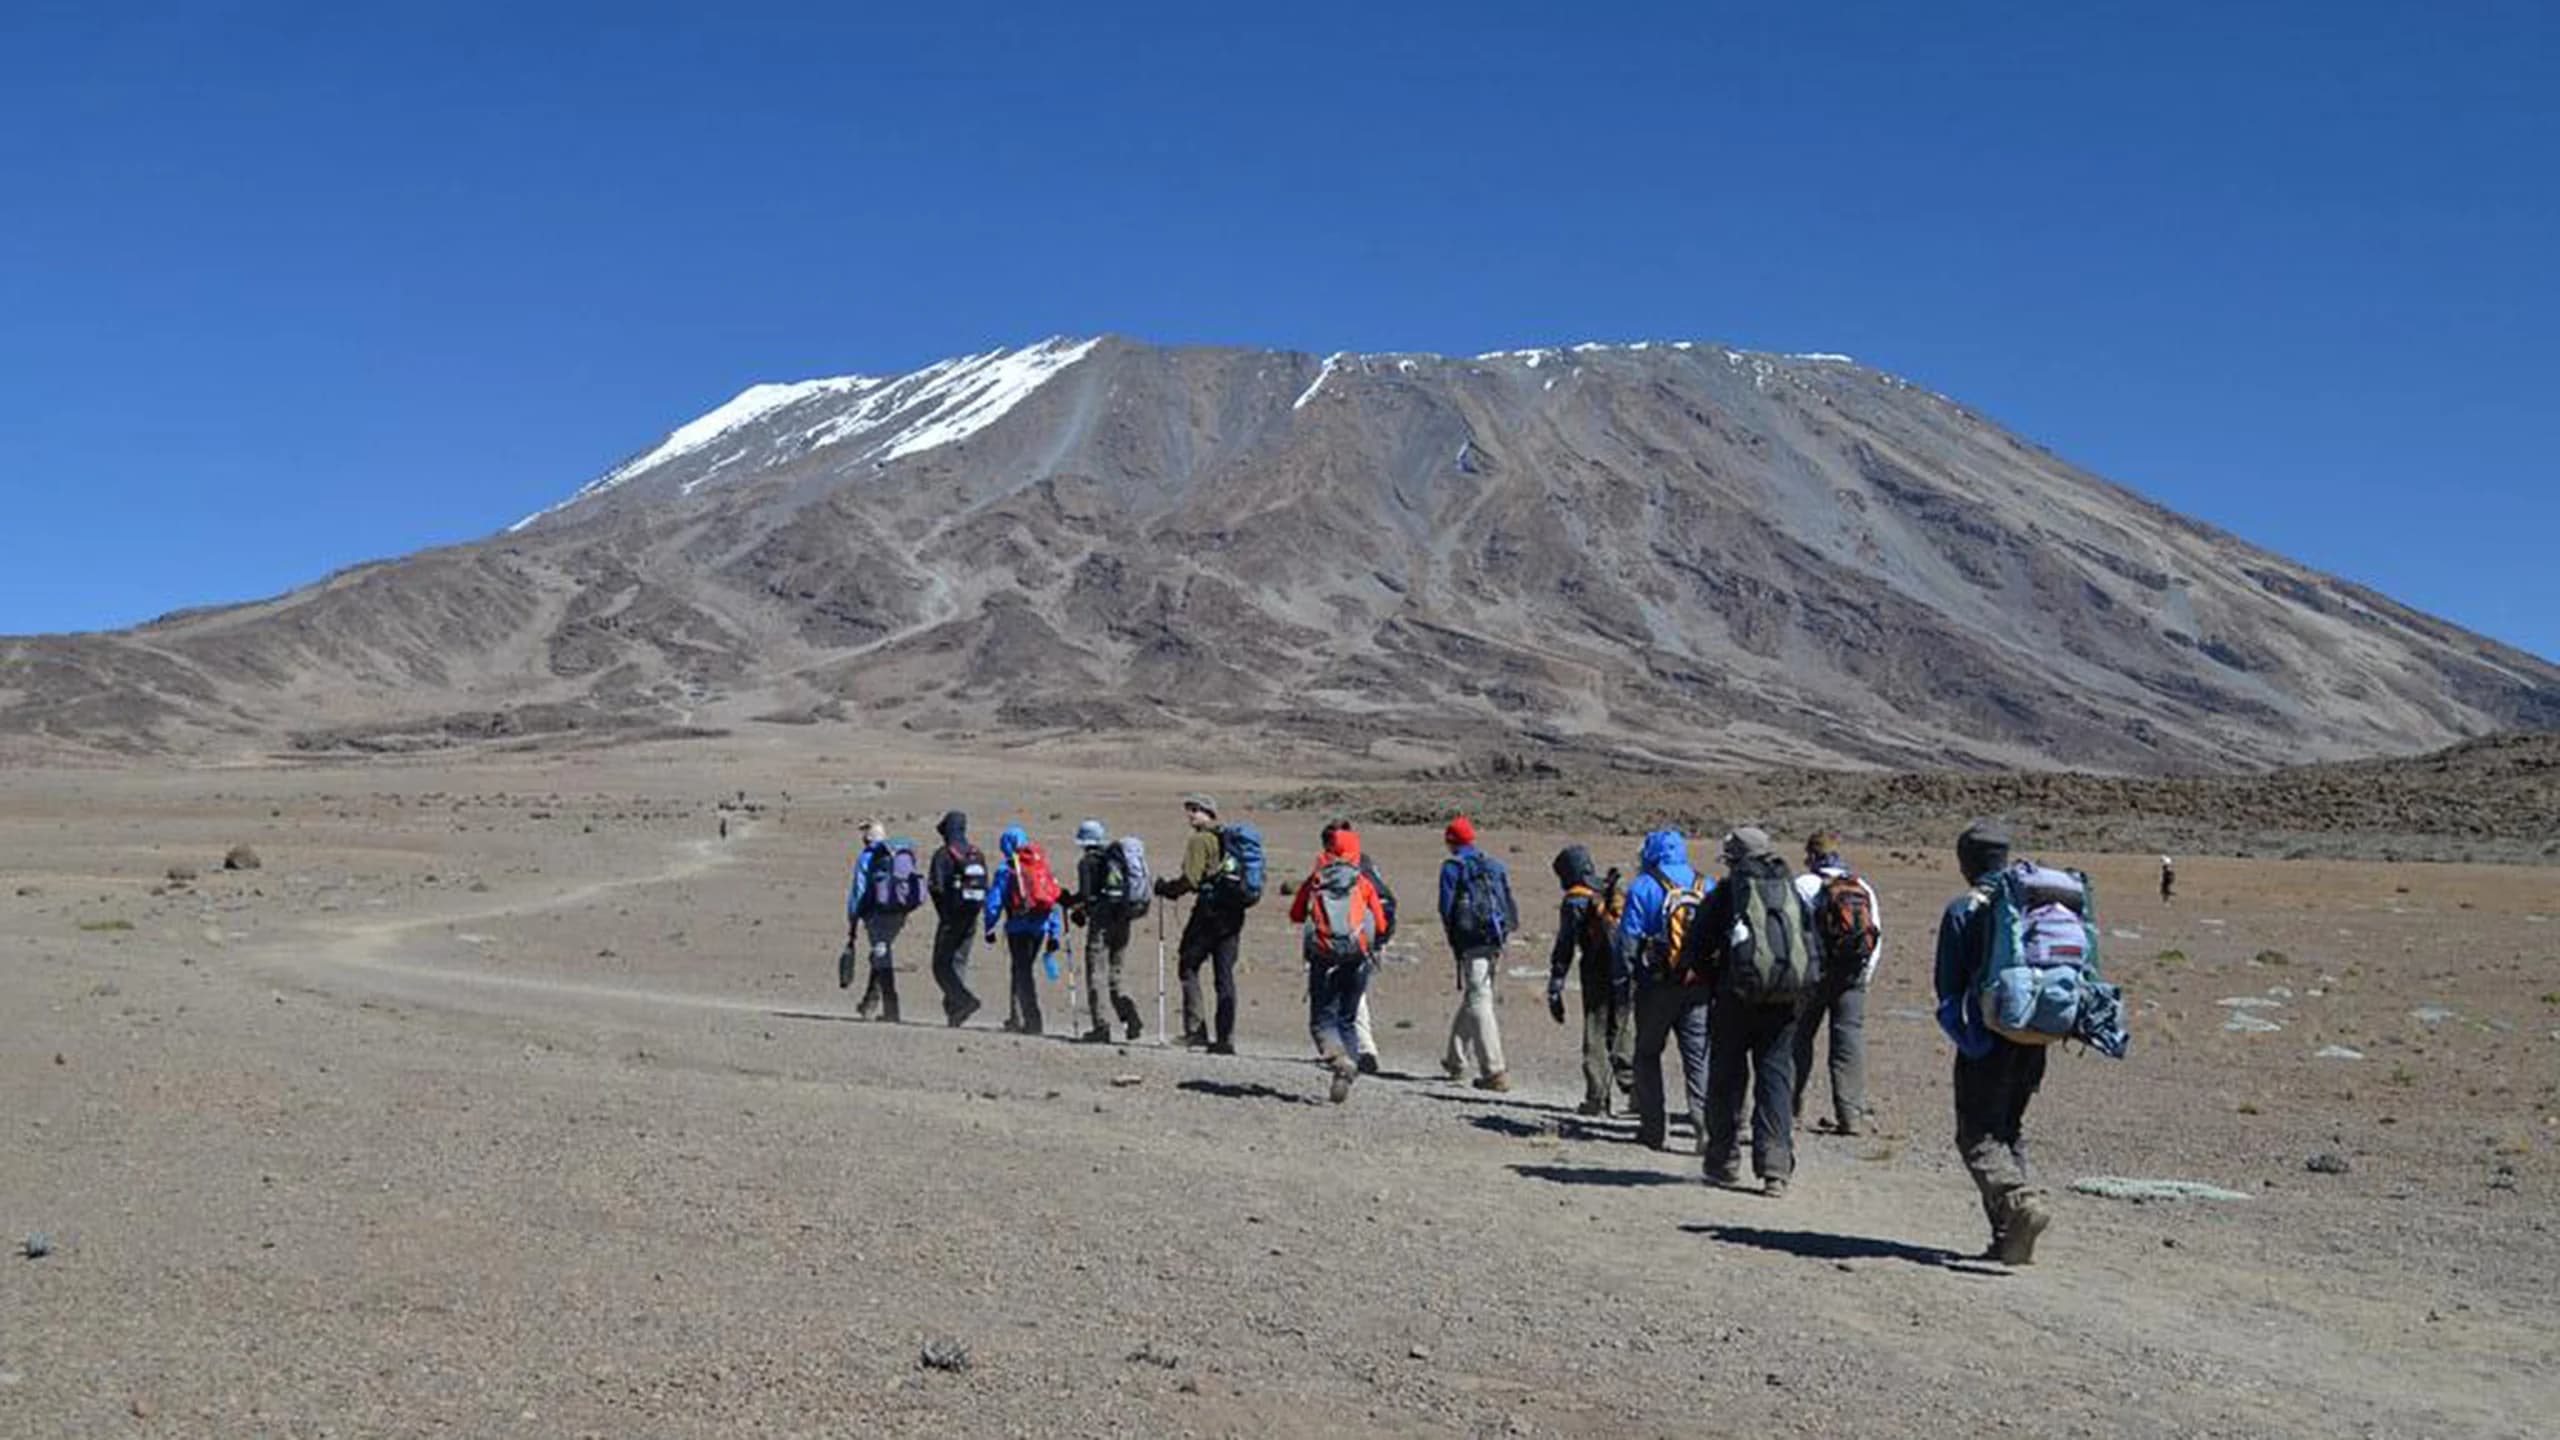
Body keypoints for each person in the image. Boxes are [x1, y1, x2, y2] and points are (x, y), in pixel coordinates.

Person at [1933, 819, 2056, 1264]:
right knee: (2008, 1130)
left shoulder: (1964, 908)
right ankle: (2009, 1237)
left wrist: (1968, 1038)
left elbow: (1948, 986)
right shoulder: (2035, 903)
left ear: (1967, 861)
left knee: (1977, 1136)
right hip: (2034, 1034)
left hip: (1987, 1038)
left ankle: (2019, 1202)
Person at [1691, 827, 1814, 1197]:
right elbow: (1812, 944)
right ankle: (1775, 1169)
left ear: (1733, 860)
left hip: (1734, 1000)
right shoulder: (1792, 890)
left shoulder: (1726, 894)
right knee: (1775, 1080)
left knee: (1727, 1081)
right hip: (1785, 1003)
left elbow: (1696, 948)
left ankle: (1723, 1161)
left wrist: (1716, 978)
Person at [1615, 829, 1710, 1151]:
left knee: (1647, 1054)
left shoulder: (1643, 886)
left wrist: (1623, 985)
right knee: (1698, 1058)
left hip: (1655, 987)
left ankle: (1653, 1129)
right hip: (1698, 986)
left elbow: (1628, 943)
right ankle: (1704, 1129)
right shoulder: (1705, 885)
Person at [1289, 823, 1389, 1103]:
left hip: (1323, 958)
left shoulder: (1317, 879)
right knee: (1347, 1018)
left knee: (1322, 1019)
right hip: (1357, 958)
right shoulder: (1363, 882)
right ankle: (1349, 1066)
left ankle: (1338, 1059)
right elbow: (1381, 924)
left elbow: (1296, 914)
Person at [1792, 830, 1882, 1135]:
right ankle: (1850, 1115)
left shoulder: (1803, 885)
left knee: (1798, 1040)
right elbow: (1876, 934)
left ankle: (1790, 1111)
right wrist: (1864, 976)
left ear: (1811, 855)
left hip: (1813, 976)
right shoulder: (1862, 887)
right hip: (1852, 975)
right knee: (1848, 1042)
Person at [1154, 794, 1244, 1054]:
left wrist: (1168, 889)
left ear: (1209, 813)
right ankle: (1225, 1039)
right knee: (1224, 976)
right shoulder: (1230, 840)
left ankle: (1196, 1032)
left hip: (1209, 913)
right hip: (1233, 914)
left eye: (1196, 809)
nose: (1190, 814)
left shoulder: (1200, 840)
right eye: (1189, 809)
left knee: (1188, 964)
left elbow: (1191, 879)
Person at [1436, 816, 1520, 1092]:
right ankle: (1455, 1060)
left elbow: (1446, 909)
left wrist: (1455, 941)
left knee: (1479, 1000)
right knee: (1476, 995)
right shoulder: (1494, 865)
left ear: (1451, 841)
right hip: (1495, 939)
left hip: (1471, 941)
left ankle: (1494, 1070)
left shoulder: (1452, 868)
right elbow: (1509, 903)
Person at [1547, 845, 1630, 1116]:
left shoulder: (1575, 901)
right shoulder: (1608, 891)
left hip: (1596, 970)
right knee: (1624, 1028)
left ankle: (1597, 1098)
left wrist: (1556, 983)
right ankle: (1638, 1093)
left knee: (1596, 1030)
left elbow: (1565, 946)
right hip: (1625, 970)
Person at [1319, 817, 1393, 1074]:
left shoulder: (1334, 867)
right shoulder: (1366, 863)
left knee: (1348, 997)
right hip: (1368, 937)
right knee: (1354, 994)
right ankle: (1354, 1049)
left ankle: (1362, 1051)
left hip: (1346, 939)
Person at [1067, 818, 1146, 1042]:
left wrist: (1072, 904)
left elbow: (1085, 895)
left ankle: (1101, 1027)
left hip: (1101, 923)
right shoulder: (1115, 859)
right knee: (1116, 972)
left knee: (1096, 973)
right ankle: (1130, 1016)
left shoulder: (1087, 863)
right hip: (1123, 918)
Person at [982, 824, 1064, 1037]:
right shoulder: (1041, 866)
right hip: (1039, 928)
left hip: (1017, 928)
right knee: (1021, 969)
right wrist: (1054, 932)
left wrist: (989, 927)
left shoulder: (1006, 870)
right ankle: (1016, 1017)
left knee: (1022, 971)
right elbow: (1052, 900)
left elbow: (994, 902)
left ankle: (1032, 1020)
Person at [844, 820, 917, 1023]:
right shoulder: (897, 854)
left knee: (881, 955)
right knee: (880, 954)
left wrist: (853, 918)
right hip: (899, 912)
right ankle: (869, 1002)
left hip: (877, 913)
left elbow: (859, 890)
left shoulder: (868, 857)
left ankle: (891, 1009)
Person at [924, 811, 987, 1027]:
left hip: (952, 918)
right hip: (972, 917)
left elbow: (936, 888)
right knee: (958, 962)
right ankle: (955, 1013)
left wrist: (944, 914)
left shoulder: (943, 855)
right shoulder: (976, 854)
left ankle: (964, 1001)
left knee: (940, 966)